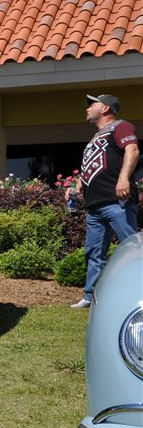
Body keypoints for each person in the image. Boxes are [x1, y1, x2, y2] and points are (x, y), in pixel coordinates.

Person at [67, 93, 140, 308]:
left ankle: (137, 292)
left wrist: (124, 178)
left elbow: (132, 150)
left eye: (92, 104)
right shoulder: (95, 138)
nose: (87, 108)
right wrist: (78, 185)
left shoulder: (121, 126)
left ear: (106, 108)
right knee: (94, 252)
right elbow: (93, 164)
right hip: (95, 206)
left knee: (131, 248)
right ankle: (91, 296)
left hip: (118, 201)